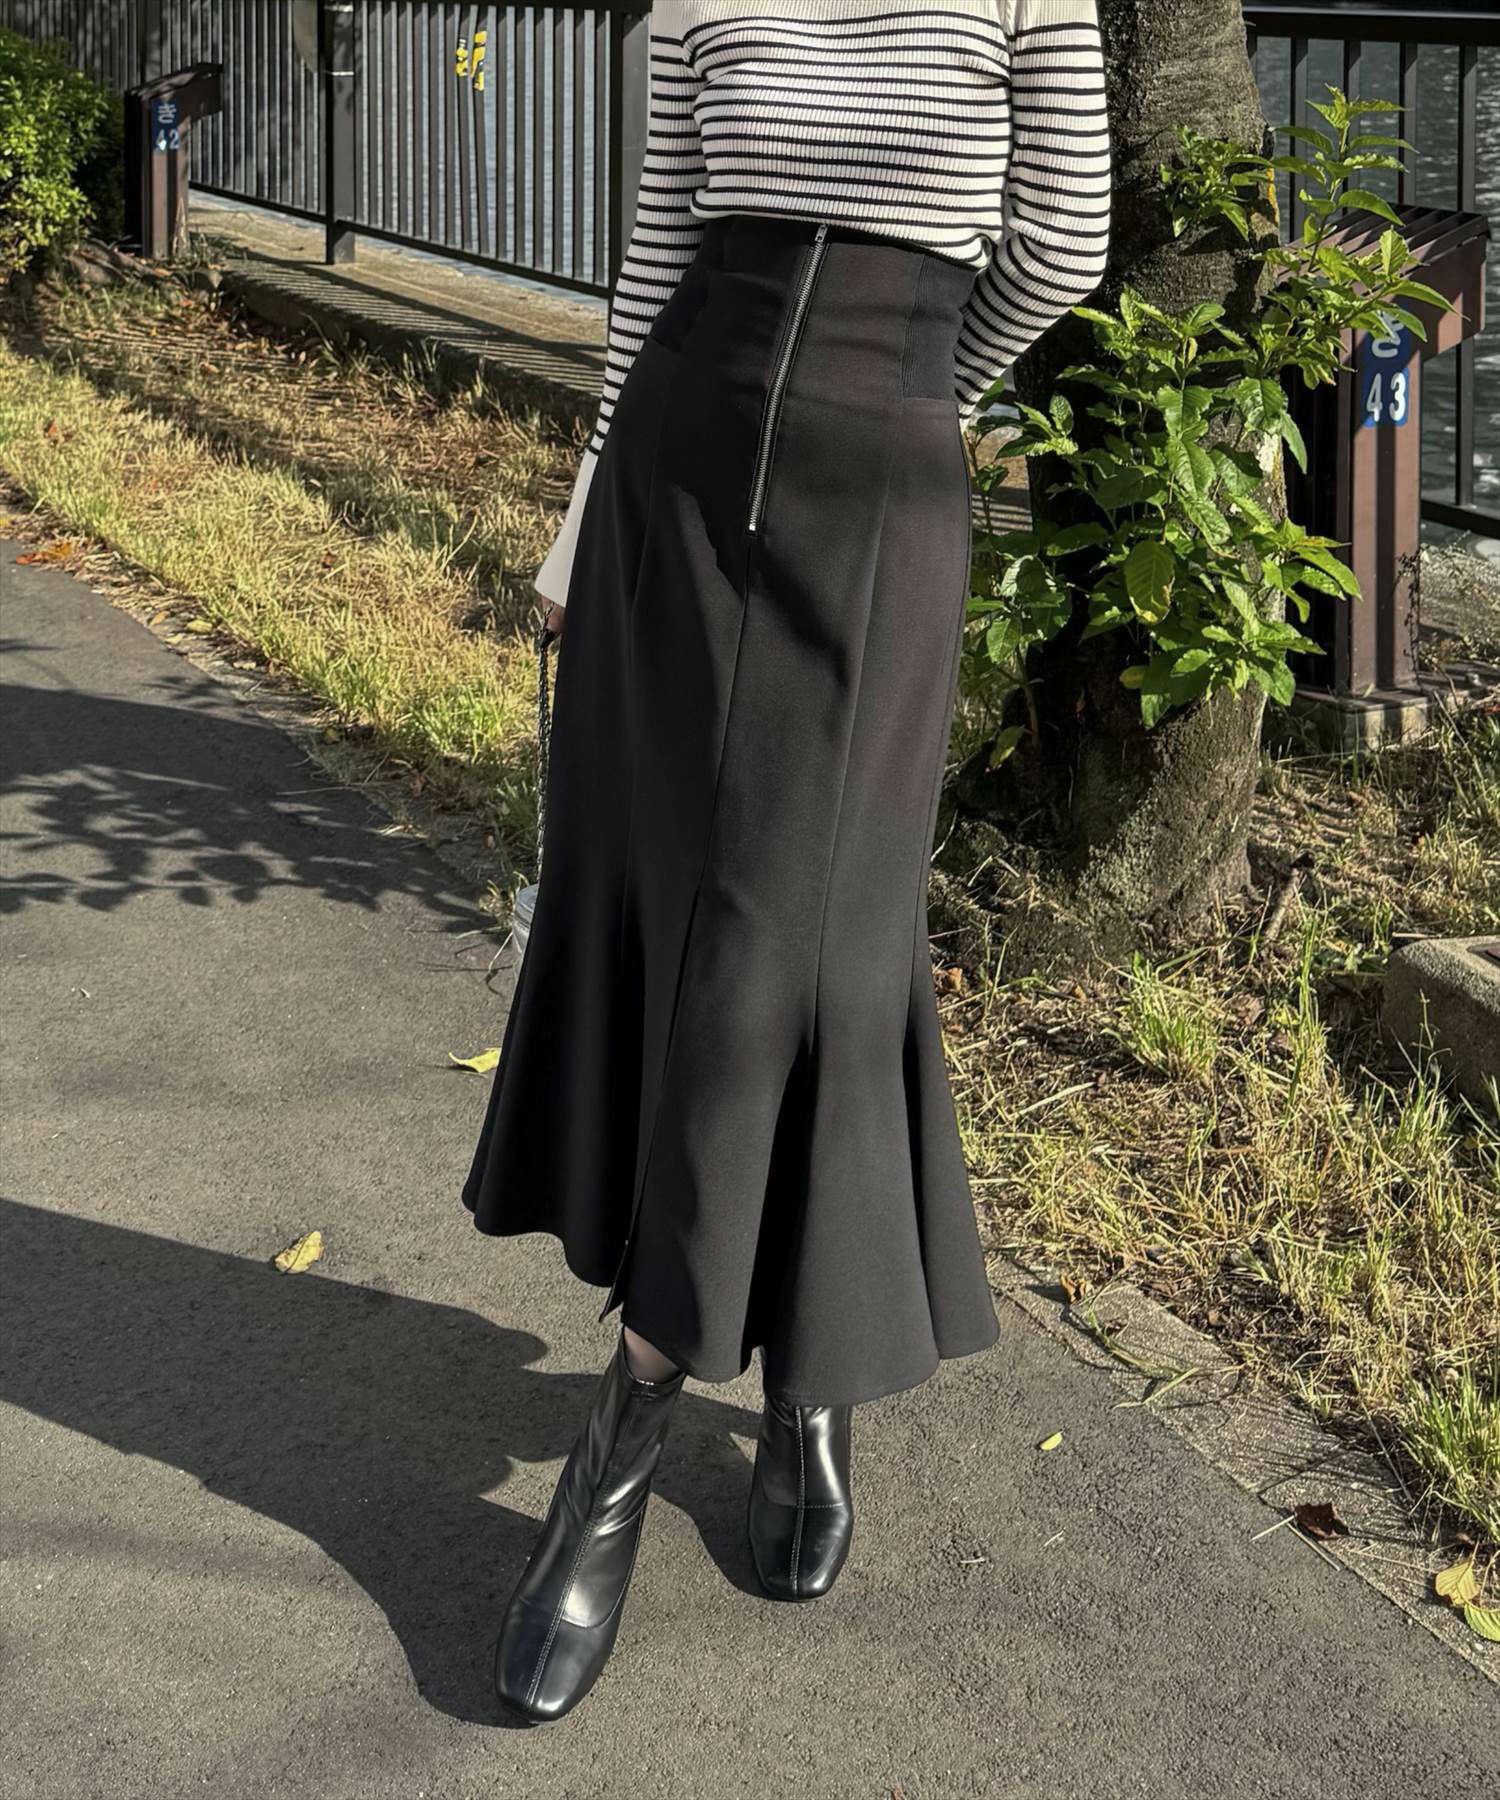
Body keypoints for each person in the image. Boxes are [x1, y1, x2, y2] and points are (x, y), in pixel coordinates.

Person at [461, 0, 1110, 1724]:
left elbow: (1065, 241)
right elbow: (656, 254)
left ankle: (643, 1418)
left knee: (801, 953)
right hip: (677, 475)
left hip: (878, 493)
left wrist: (908, 390)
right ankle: (762, 1387)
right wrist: (583, 510)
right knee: (695, 930)